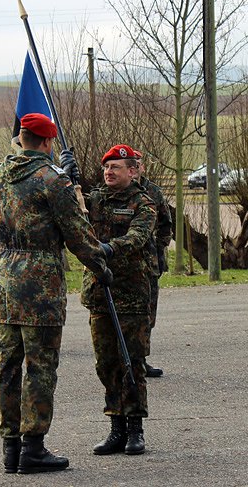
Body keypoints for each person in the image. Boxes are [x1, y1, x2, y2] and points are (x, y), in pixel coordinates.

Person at [0, 113, 112, 475]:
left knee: (8, 367)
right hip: (40, 287)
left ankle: (10, 448)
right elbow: (77, 234)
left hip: (5, 285)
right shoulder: (52, 180)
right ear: (47, 142)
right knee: (40, 367)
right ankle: (34, 447)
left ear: (21, 138)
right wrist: (100, 265)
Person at [81, 143, 157, 456]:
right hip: (100, 292)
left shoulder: (143, 203)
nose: (110, 172)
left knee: (132, 363)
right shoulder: (94, 199)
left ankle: (135, 428)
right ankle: (116, 427)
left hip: (131, 294)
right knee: (106, 363)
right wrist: (66, 178)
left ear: (133, 171)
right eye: (107, 167)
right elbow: (70, 211)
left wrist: (108, 249)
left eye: (116, 167)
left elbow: (138, 237)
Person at [130, 149, 172, 378]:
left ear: (141, 167)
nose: (134, 169)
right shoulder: (111, 193)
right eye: (131, 165)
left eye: (138, 165)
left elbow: (166, 223)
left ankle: (141, 359)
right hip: (122, 265)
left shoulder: (153, 192)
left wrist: (159, 248)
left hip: (148, 264)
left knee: (147, 314)